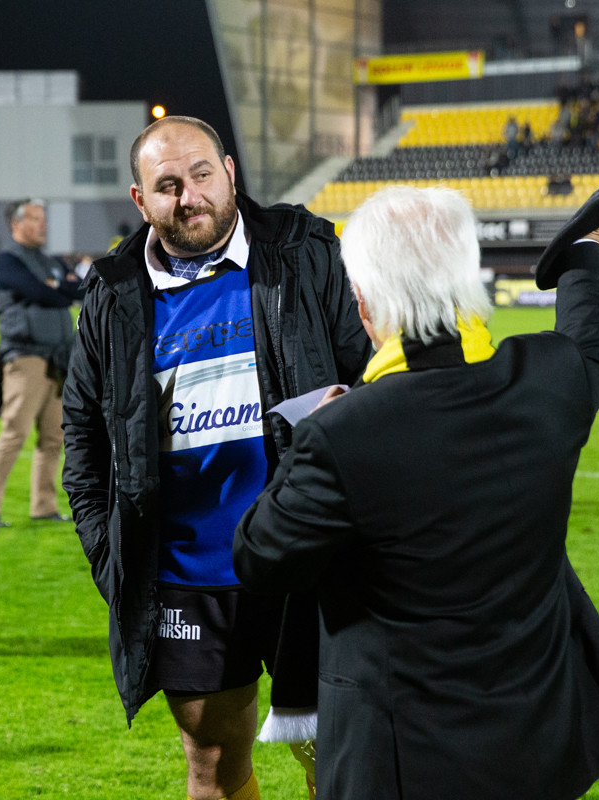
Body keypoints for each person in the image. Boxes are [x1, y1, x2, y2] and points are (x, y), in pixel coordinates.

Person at [233, 185, 599, 799]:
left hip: (400, 764)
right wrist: (586, 250)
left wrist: (304, 438)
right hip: (537, 745)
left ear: (363, 302)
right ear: (468, 278)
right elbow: (589, 346)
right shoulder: (547, 378)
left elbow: (259, 557)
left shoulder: (341, 433)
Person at [62, 116, 371, 800]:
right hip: (186, 576)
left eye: (202, 174)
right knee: (210, 761)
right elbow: (81, 434)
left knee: (340, 754)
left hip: (307, 559)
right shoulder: (113, 290)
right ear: (141, 200)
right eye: (168, 184)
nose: (189, 196)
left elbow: (369, 374)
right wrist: (109, 554)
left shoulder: (305, 249)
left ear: (229, 172)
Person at [0, 199, 84, 527]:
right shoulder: (7, 261)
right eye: (34, 218)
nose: (42, 224)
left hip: (60, 359)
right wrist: (58, 289)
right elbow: (40, 293)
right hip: (26, 357)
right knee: (14, 434)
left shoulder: (50, 261)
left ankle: (44, 507)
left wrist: (56, 287)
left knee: (54, 438)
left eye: (43, 218)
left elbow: (79, 289)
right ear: (16, 224)